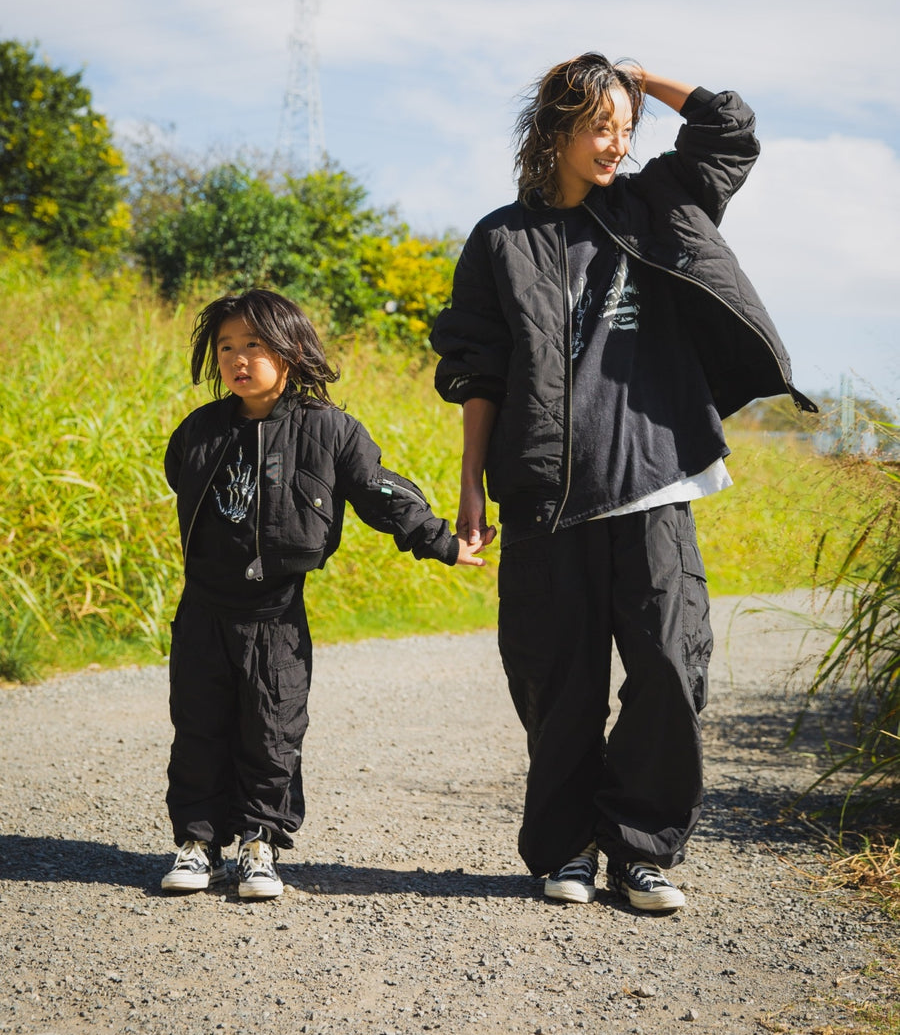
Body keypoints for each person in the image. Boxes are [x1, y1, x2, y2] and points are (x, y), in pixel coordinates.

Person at [430, 55, 816, 912]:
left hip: (651, 478)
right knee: (556, 684)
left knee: (671, 669)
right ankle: (565, 849)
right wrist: (468, 489)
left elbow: (730, 130)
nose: (616, 143)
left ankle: (641, 849)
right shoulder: (501, 239)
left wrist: (645, 77)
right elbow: (478, 372)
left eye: (626, 127)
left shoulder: (654, 203)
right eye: (600, 126)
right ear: (555, 131)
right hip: (541, 495)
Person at [161, 288, 485, 899]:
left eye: (254, 345)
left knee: (272, 728)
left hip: (277, 612)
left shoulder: (329, 430)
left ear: (289, 350)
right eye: (227, 347)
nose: (238, 359)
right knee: (199, 727)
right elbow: (182, 481)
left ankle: (259, 844)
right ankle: (198, 843)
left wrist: (442, 540)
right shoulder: (199, 431)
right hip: (203, 609)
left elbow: (379, 492)